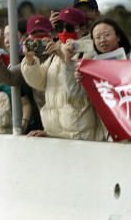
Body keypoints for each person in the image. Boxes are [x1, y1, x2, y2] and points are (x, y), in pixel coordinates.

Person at [20, 9, 107, 141]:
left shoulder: (90, 52)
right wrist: (30, 60)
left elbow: (76, 90)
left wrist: (63, 56)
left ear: (83, 29)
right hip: (55, 132)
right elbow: (39, 83)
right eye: (60, 27)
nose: (64, 31)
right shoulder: (55, 51)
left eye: (70, 27)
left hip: (80, 134)